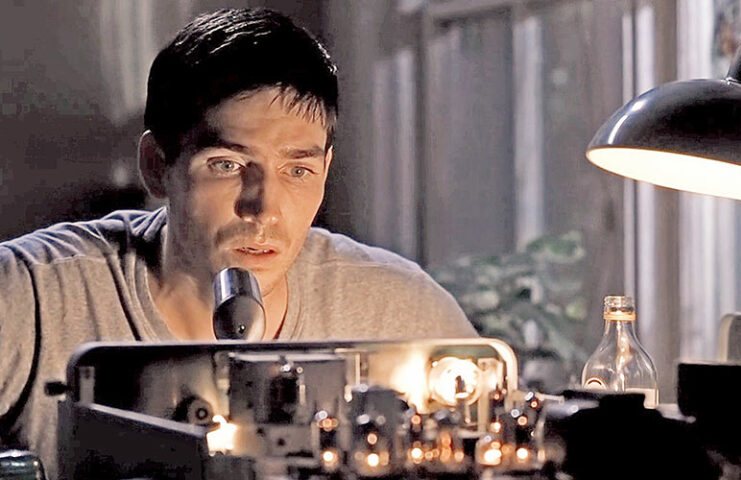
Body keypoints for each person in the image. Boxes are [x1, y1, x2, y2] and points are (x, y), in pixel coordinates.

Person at [0, 7, 476, 476]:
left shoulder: (404, 315)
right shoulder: (31, 295)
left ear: (325, 169)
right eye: (227, 165)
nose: (264, 208)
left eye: (298, 170)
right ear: (156, 166)